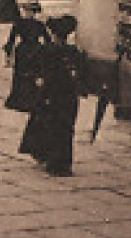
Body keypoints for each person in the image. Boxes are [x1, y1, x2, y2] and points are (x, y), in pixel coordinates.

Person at [19, 15, 89, 176]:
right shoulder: (74, 51)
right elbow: (82, 74)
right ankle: (63, 162)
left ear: (54, 34)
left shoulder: (47, 50)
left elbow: (34, 68)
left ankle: (52, 160)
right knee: (66, 128)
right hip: (69, 96)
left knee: (50, 126)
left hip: (51, 95)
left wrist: (37, 82)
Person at [3, 0, 52, 112]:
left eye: (30, 11)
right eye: (27, 11)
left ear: (34, 12)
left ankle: (29, 101)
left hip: (30, 51)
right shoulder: (22, 24)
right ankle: (22, 101)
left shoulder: (36, 24)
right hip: (28, 51)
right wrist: (8, 53)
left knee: (30, 75)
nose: (28, 13)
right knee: (22, 75)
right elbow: (11, 39)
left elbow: (47, 39)